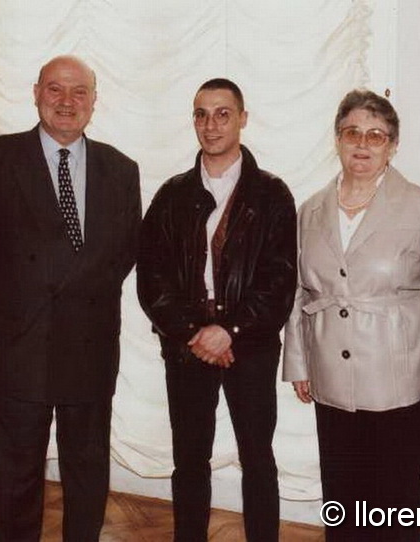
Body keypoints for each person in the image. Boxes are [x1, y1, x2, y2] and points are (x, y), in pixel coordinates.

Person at [0, 55, 141, 541]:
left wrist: (75, 291)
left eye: (79, 92)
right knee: (15, 481)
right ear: (35, 91)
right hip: (18, 346)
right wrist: (21, 291)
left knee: (87, 476)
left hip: (90, 349)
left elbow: (122, 254)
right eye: (55, 89)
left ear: (94, 102)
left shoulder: (121, 170)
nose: (66, 102)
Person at [137, 78, 297, 542]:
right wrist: (195, 332)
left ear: (243, 119)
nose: (211, 125)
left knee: (257, 457)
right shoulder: (172, 195)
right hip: (187, 347)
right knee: (189, 458)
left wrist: (229, 330)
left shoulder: (272, 195)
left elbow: (280, 280)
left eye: (223, 113)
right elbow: (152, 280)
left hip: (251, 346)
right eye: (201, 114)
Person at [283, 89, 420, 541]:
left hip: (400, 379)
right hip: (331, 374)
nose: (362, 144)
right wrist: (299, 363)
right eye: (352, 132)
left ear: (392, 145)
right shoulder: (311, 209)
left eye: (376, 135)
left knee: (392, 504)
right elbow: (299, 290)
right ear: (337, 139)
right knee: (343, 498)